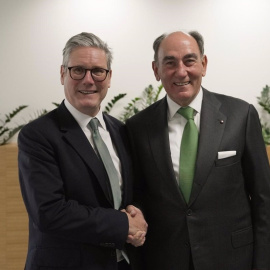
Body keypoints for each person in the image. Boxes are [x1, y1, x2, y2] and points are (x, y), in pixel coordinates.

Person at [126, 30, 270, 270]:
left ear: (203, 64)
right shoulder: (137, 127)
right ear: (156, 70)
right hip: (165, 259)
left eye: (189, 60)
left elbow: (264, 200)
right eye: (169, 63)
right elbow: (138, 196)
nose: (181, 71)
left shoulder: (241, 116)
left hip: (233, 259)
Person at [18, 32, 147, 270]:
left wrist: (137, 212)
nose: (89, 80)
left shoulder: (121, 131)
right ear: (62, 74)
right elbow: (50, 212)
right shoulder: (38, 135)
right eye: (78, 70)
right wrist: (122, 224)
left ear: (109, 78)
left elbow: (131, 192)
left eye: (98, 71)